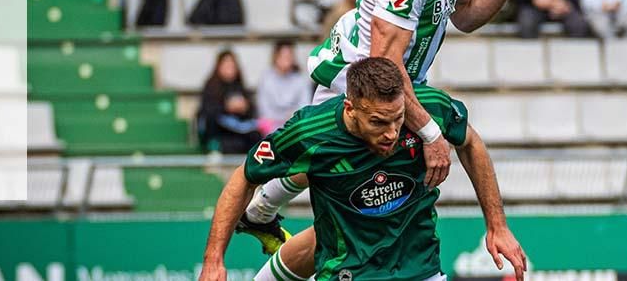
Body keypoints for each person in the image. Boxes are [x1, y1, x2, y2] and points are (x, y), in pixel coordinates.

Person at [234, 0, 550, 264]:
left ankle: (262, 211)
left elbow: (467, 14)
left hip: (399, 85)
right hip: (363, 87)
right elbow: (383, 63)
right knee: (347, 207)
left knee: (339, 202)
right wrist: (430, 133)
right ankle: (260, 212)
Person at [201, 58, 528, 281]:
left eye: (398, 118)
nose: (391, 132)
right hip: (347, 273)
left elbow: (471, 143)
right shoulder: (310, 133)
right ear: (350, 108)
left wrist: (496, 225)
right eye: (377, 122)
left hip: (421, 271)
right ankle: (261, 212)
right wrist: (214, 260)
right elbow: (244, 176)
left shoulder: (428, 111)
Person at [197, 49, 258, 154]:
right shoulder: (211, 86)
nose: (229, 69)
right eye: (226, 65)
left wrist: (244, 107)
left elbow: (252, 113)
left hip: (239, 133)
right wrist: (227, 107)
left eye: (232, 65)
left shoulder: (240, 86)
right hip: (220, 133)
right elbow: (207, 113)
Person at [255, 41, 313, 135]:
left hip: (294, 124)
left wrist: (292, 116)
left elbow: (305, 105)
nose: (286, 59)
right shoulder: (266, 78)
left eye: (289, 56)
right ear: (275, 57)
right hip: (271, 126)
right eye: (283, 56)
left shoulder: (301, 79)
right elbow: (264, 109)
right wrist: (281, 118)